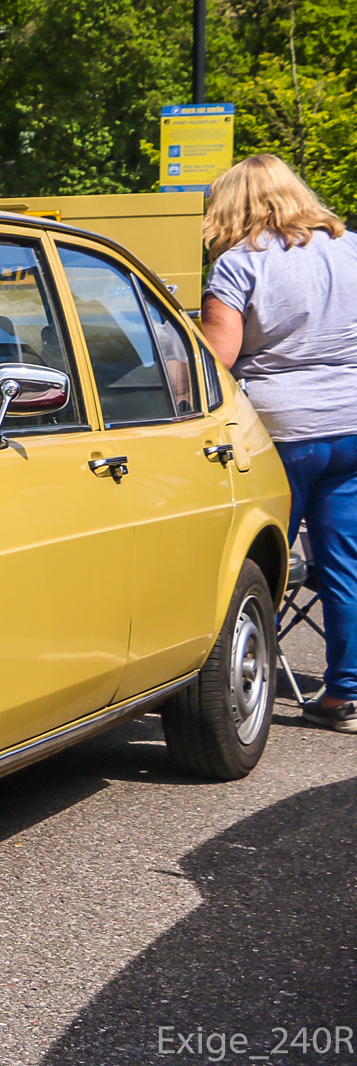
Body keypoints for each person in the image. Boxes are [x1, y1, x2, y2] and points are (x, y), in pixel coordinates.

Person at [201, 154, 357, 733]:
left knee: (251, 562)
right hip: (352, 424)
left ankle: (229, 689)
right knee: (343, 563)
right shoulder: (352, 249)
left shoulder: (242, 264)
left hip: (282, 431)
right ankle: (344, 693)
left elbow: (217, 355)